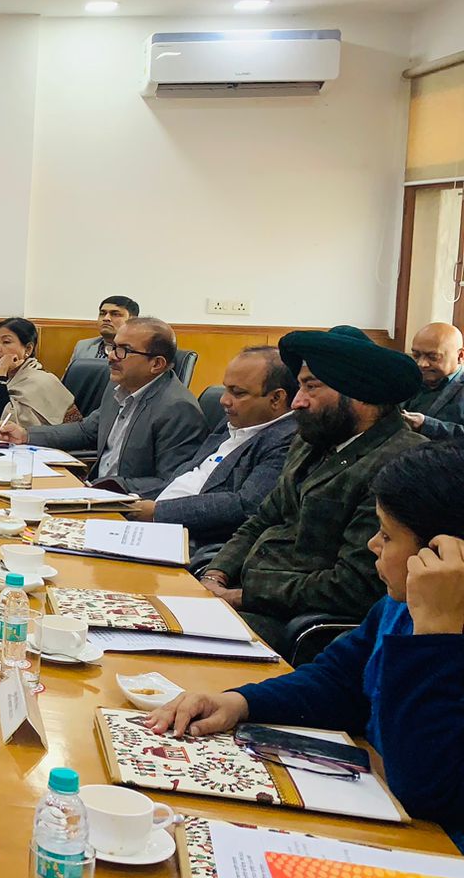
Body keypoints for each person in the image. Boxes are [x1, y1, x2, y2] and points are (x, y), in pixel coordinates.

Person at [147, 443, 464, 847]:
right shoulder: (400, 606)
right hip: (375, 804)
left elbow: (423, 788)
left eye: (387, 535)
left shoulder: (435, 620)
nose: (373, 545)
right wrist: (240, 702)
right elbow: (340, 680)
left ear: (441, 553)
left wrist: (436, 639)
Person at [199, 326, 426, 654]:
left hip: (293, 621)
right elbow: (262, 518)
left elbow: (353, 585)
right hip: (242, 594)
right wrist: (216, 575)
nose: (297, 402)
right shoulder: (311, 441)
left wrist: (240, 596)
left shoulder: (400, 464)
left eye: (311, 387)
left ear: (361, 394)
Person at [0, 317, 205, 495]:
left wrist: (107, 486)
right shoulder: (119, 386)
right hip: (94, 491)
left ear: (156, 364)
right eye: (113, 347)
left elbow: (171, 482)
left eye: (124, 350)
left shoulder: (177, 409)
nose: (111, 356)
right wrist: (26, 435)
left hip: (129, 504)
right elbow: (86, 431)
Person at [122, 346, 298, 548]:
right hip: (150, 523)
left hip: (192, 543)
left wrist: (157, 512)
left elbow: (246, 506)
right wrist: (124, 499)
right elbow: (185, 476)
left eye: (237, 393)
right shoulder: (236, 420)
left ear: (276, 399)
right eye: (226, 389)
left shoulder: (286, 440)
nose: (224, 400)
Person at [401, 321, 464, 440]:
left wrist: (426, 425)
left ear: (460, 356)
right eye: (416, 355)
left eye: (433, 357)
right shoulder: (407, 376)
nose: (421, 364)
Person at [69, 295, 140, 364]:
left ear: (133, 320)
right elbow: (73, 372)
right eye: (102, 314)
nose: (106, 318)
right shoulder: (83, 346)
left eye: (115, 314)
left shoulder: (140, 350)